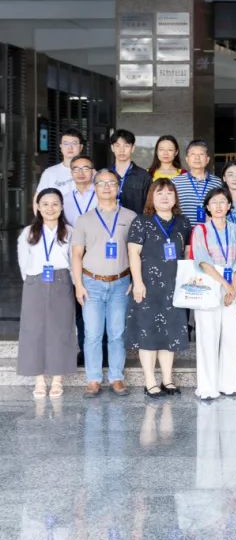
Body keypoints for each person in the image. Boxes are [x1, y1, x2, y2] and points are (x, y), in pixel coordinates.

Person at [71, 169, 135, 397]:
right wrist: (78, 285)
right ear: (94, 187)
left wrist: (135, 279)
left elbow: (137, 253)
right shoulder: (84, 219)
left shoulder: (130, 217)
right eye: (102, 183)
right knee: (93, 334)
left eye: (112, 183)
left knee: (117, 333)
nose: (107, 187)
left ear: (118, 187)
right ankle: (93, 379)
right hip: (92, 284)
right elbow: (76, 254)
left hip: (121, 283)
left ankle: (116, 378)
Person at [126, 178, 193, 397]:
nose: (165, 197)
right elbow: (133, 253)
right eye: (160, 193)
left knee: (170, 333)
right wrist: (137, 282)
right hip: (148, 286)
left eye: (169, 193)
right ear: (151, 197)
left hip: (174, 286)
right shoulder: (141, 221)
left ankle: (167, 379)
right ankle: (149, 381)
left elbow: (187, 254)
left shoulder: (183, 222)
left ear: (175, 197)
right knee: (148, 333)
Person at [18, 188, 77, 398]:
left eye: (54, 204)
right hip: (35, 282)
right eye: (45, 204)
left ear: (61, 207)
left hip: (62, 281)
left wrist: (74, 285)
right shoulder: (28, 232)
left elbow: (74, 261)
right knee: (33, 331)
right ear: (38, 207)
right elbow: (23, 263)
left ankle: (58, 379)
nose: (50, 208)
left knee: (61, 330)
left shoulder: (69, 231)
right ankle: (39, 380)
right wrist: (33, 281)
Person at [191, 187, 236, 401]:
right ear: (207, 207)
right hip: (210, 280)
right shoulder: (200, 230)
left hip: (233, 280)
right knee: (207, 334)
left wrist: (233, 285)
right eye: (214, 202)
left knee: (231, 334)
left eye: (223, 202)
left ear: (229, 205)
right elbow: (202, 260)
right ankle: (207, 387)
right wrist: (225, 284)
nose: (219, 206)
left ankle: (229, 384)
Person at [172, 139, 222, 225]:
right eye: (193, 154)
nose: (197, 158)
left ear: (207, 159)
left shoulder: (217, 182)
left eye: (201, 154)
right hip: (184, 230)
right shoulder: (175, 182)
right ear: (187, 159)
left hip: (208, 230)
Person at [110, 129, 151, 214]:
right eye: (117, 146)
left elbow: (149, 206)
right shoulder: (104, 174)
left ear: (133, 148)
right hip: (108, 221)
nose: (122, 150)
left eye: (126, 146)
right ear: (112, 148)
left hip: (136, 221)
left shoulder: (144, 176)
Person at [36, 127, 84, 200]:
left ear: (81, 147)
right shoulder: (49, 173)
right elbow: (38, 199)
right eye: (66, 143)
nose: (70, 147)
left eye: (74, 143)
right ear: (61, 147)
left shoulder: (89, 172)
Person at [64, 154, 97, 226]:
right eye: (76, 169)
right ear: (71, 173)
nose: (80, 173)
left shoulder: (102, 195)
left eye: (85, 169)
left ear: (93, 172)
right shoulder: (65, 199)